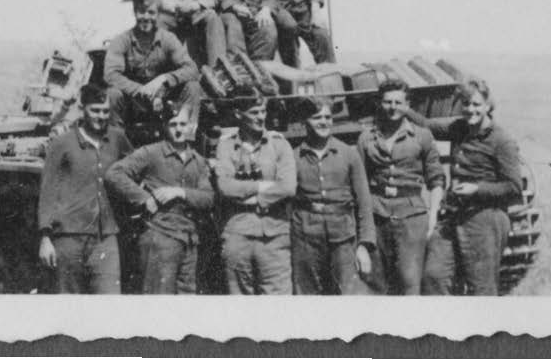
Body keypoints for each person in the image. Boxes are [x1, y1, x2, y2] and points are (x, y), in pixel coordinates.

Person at [421, 78, 523, 296]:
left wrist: (477, 189)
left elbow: (514, 187)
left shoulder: (501, 140)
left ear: (487, 105)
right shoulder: (459, 128)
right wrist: (400, 109)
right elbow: (425, 125)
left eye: (476, 104)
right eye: (466, 104)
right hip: (454, 215)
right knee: (433, 275)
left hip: (485, 218)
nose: (470, 109)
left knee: (481, 287)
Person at [105, 100, 215, 294]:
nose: (179, 129)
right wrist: (144, 198)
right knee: (158, 299)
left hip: (189, 240)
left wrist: (180, 192)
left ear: (191, 125)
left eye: (183, 124)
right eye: (173, 124)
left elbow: (208, 197)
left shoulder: (197, 160)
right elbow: (114, 174)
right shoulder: (152, 153)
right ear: (165, 127)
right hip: (161, 236)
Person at [36, 83, 133, 294]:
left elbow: (135, 166)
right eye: (95, 111)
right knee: (70, 306)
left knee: (109, 303)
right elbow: (48, 191)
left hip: (106, 238)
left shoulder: (117, 139)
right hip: (69, 239)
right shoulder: (62, 143)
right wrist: (45, 238)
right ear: (83, 109)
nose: (101, 116)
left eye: (106, 111)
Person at [355, 79, 446, 295]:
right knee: (375, 284)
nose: (392, 107)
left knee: (409, 283)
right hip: (377, 218)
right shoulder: (366, 138)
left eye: (398, 102)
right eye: (387, 102)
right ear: (380, 103)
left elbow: (436, 180)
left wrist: (432, 215)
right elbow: (359, 186)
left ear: (407, 105)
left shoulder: (422, 136)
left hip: (412, 220)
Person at [213, 88, 297, 294]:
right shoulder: (226, 146)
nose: (261, 117)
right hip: (237, 236)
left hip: (274, 238)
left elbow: (288, 187)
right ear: (238, 115)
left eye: (263, 111)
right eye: (254, 112)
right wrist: (263, 187)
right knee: (241, 308)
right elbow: (225, 187)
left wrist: (251, 199)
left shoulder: (279, 144)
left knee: (277, 307)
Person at [291, 97, 375, 294]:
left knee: (348, 292)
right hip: (305, 238)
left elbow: (364, 201)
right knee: (307, 294)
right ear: (305, 121)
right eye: (316, 117)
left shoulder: (348, 154)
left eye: (328, 116)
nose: (324, 121)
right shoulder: (294, 157)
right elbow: (288, 202)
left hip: (343, 238)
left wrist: (364, 244)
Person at [103, 0, 203, 131]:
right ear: (134, 12)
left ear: (158, 15)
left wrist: (164, 79)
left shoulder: (168, 39)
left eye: (151, 13)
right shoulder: (121, 40)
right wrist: (141, 91)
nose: (146, 17)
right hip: (132, 101)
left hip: (164, 100)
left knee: (192, 87)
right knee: (112, 94)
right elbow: (111, 75)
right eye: (141, 12)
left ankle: (185, 141)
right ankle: (116, 143)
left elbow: (192, 69)